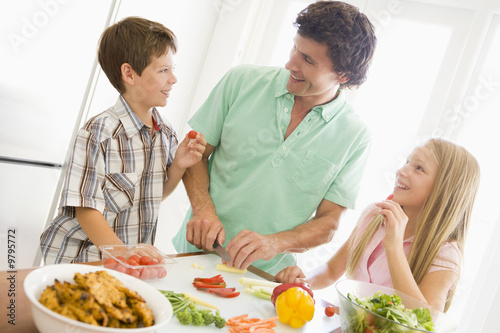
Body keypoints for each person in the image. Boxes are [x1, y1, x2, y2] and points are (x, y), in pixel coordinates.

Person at [172, 1, 377, 275]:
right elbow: (194, 154)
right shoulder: (241, 81)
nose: (290, 63)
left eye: (308, 60)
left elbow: (329, 222)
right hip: (194, 255)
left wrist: (276, 243)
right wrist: (203, 210)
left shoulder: (355, 136)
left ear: (343, 75)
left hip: (264, 280)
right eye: (295, 48)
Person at [40, 17, 206, 264]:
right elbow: (86, 209)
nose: (173, 79)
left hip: (125, 262)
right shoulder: (99, 132)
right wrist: (123, 253)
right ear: (129, 73)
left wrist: (179, 167)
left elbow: (154, 195)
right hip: (83, 260)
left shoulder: (165, 132)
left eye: (173, 69)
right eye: (163, 70)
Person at [275, 138, 480, 312]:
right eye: (407, 162)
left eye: (418, 168)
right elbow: (331, 270)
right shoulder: (375, 215)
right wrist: (305, 281)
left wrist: (393, 246)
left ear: (444, 191)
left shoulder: (445, 253)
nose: (401, 170)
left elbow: (423, 319)